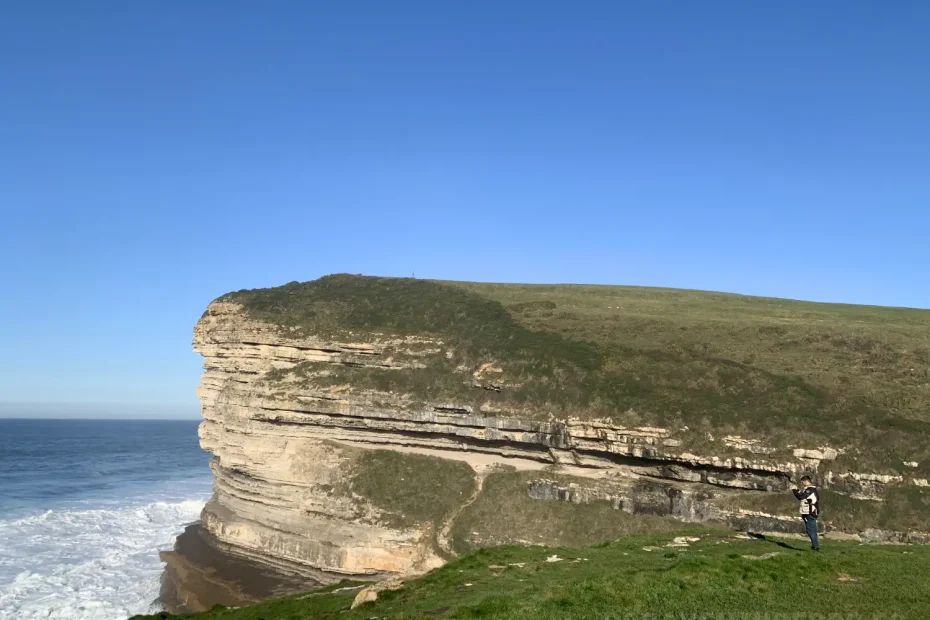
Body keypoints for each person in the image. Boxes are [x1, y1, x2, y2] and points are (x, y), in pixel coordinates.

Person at [791, 475, 820, 551]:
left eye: (803, 482)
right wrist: (797, 491)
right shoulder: (809, 490)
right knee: (811, 530)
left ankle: (815, 547)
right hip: (808, 512)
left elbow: (801, 497)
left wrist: (794, 490)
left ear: (806, 481)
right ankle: (815, 546)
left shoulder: (810, 490)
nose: (802, 484)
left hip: (810, 512)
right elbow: (803, 495)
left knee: (810, 530)